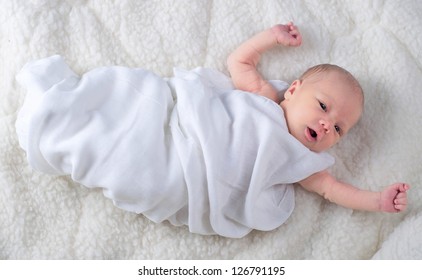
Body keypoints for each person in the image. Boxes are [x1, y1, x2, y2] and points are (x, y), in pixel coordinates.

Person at [15, 22, 409, 238]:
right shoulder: (265, 97)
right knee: (133, 114)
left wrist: (377, 201)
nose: (327, 124)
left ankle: (71, 140)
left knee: (147, 181)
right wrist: (271, 38)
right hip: (184, 135)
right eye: (324, 107)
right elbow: (240, 61)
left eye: (338, 128)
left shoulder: (305, 163)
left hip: (192, 185)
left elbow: (333, 190)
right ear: (293, 90)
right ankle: (65, 116)